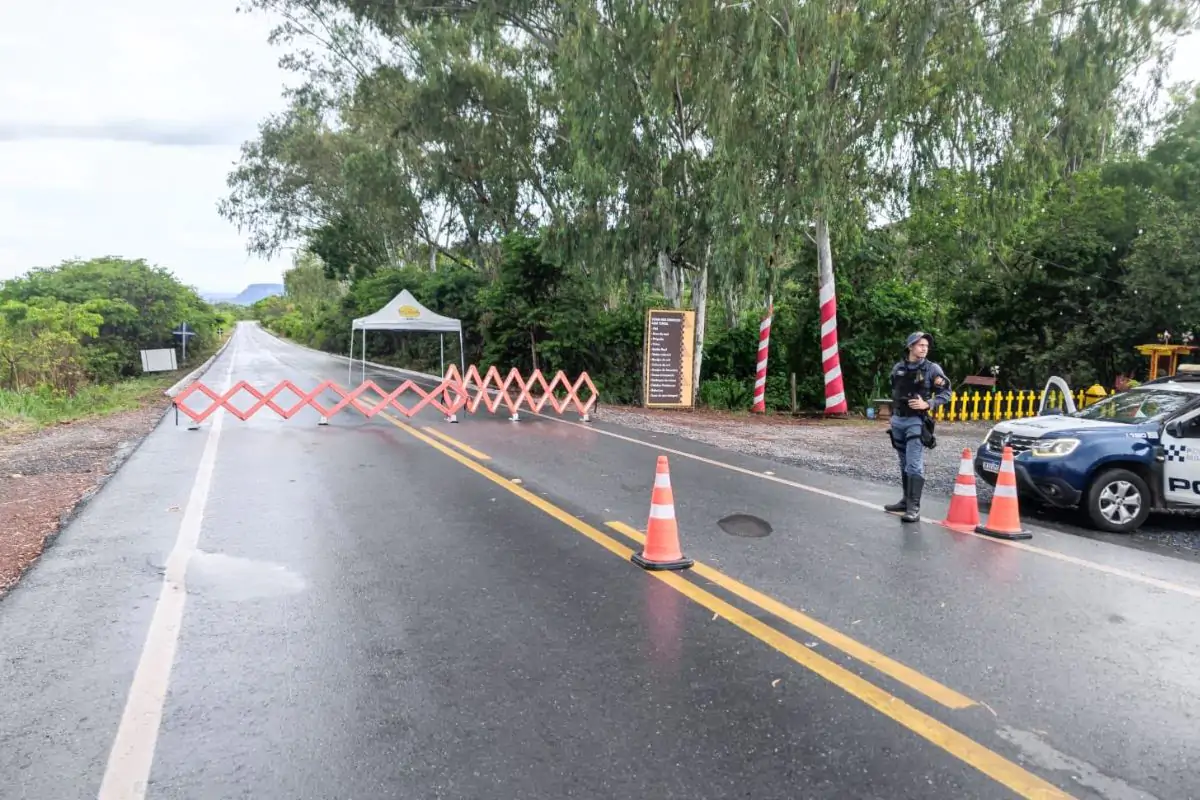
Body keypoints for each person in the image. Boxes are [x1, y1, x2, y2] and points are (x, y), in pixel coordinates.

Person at [884, 332, 952, 522]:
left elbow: (947, 393)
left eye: (926, 346)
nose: (924, 348)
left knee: (914, 463)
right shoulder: (898, 367)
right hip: (898, 421)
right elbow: (895, 390)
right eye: (920, 345)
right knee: (903, 462)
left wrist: (927, 404)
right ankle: (906, 501)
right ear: (910, 347)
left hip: (916, 421)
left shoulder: (932, 369)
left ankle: (914, 507)